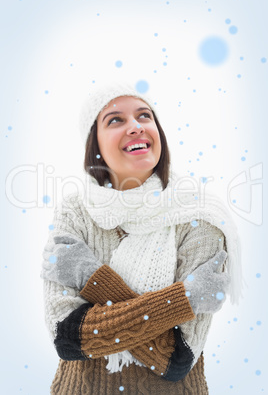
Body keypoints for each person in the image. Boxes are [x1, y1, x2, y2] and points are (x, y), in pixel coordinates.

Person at [40, 82, 242, 394]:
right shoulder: (75, 210)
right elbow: (67, 337)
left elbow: (176, 358)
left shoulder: (199, 216)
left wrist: (90, 277)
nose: (135, 127)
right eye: (115, 120)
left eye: (144, 116)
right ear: (94, 144)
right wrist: (184, 299)